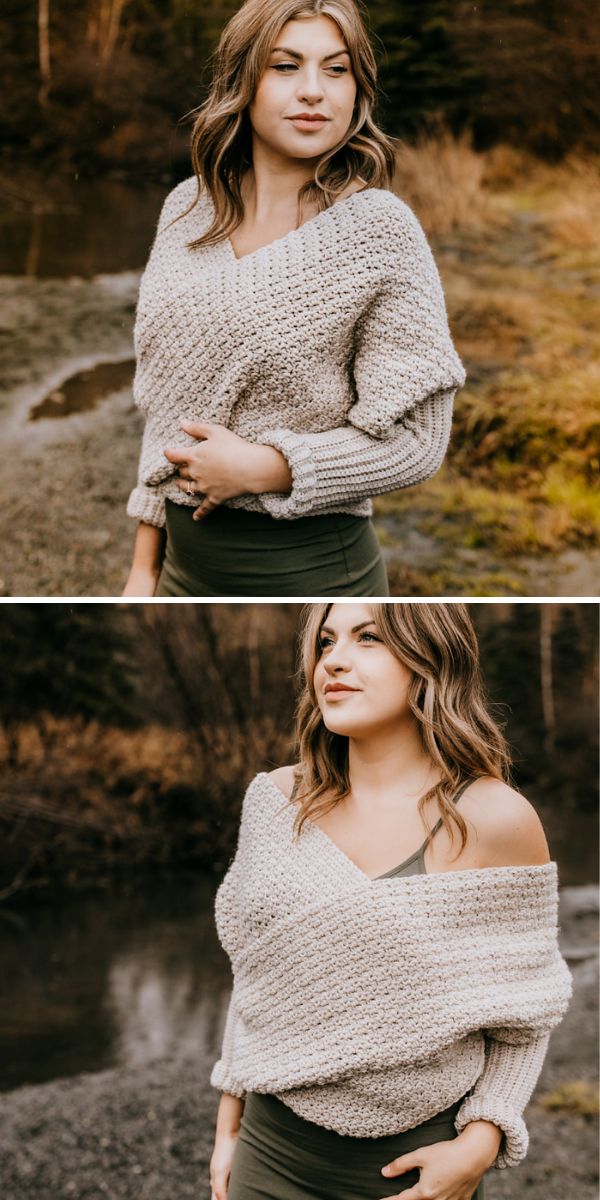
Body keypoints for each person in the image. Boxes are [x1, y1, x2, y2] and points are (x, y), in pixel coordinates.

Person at [208, 602, 573, 1200]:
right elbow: (256, 983)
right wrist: (228, 1126)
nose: (336, 661)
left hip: (411, 1175)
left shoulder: (495, 818)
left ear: (429, 661)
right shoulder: (276, 802)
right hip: (269, 1157)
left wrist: (478, 1148)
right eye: (325, 643)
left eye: (369, 638)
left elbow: (526, 1016)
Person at [123, 0, 466, 597]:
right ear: (243, 81)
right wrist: (142, 571)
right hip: (183, 573)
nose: (314, 91)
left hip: (313, 574)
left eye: (336, 70)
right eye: (286, 66)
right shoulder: (185, 207)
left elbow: (417, 442)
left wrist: (267, 466)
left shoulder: (379, 230)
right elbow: (164, 415)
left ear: (358, 92)